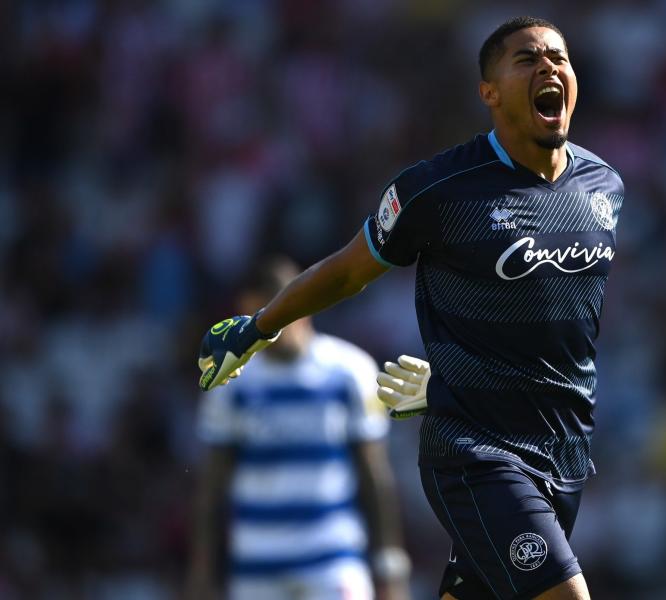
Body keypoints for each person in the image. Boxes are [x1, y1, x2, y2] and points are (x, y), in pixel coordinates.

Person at [198, 16, 623, 600]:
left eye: (559, 57)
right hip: (476, 455)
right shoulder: (438, 190)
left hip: (566, 450)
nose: (550, 67)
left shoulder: (604, 185)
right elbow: (349, 269)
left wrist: (452, 382)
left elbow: (557, 326)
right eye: (527, 59)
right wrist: (260, 327)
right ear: (490, 93)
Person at [188, 257, 412, 600]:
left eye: (277, 312)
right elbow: (213, 484)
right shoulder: (232, 383)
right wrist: (202, 570)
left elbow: (374, 475)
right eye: (258, 317)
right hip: (256, 565)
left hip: (332, 563)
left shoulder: (349, 371)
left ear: (302, 305)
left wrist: (389, 562)